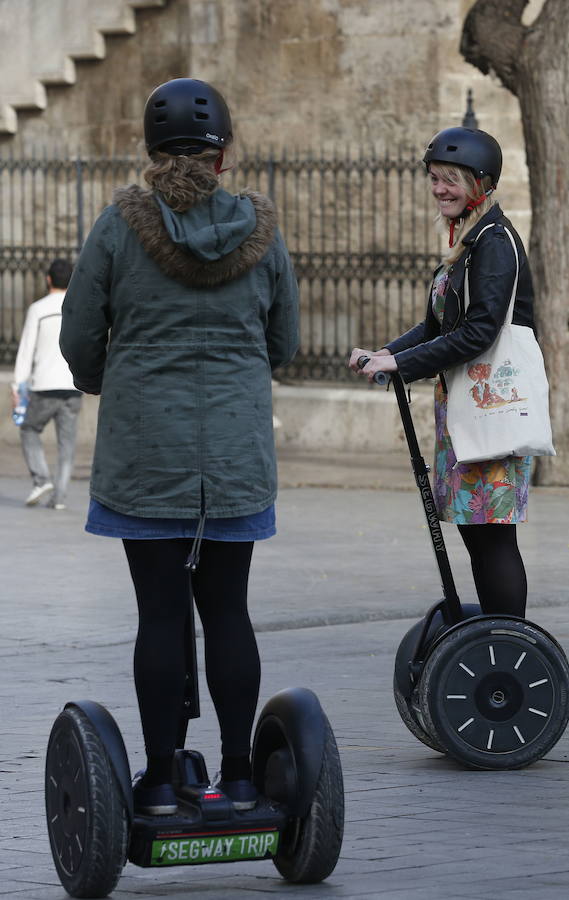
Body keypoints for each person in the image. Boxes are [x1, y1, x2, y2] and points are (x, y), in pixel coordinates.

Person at [59, 78, 300, 816]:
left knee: (161, 616)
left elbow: (77, 336)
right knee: (228, 611)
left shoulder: (117, 226)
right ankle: (238, 775)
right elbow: (283, 343)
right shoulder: (261, 229)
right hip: (233, 456)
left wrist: (112, 382)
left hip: (144, 455)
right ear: (223, 156)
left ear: (152, 154)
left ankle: (161, 781)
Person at [349, 126, 534, 620]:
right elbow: (438, 326)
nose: (439, 189)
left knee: (492, 538)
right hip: (467, 411)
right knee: (478, 535)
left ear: (482, 182)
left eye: (450, 179)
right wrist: (386, 355)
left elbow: (480, 334)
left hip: (491, 410)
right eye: (434, 179)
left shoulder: (494, 241)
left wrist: (402, 364)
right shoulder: (468, 242)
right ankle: (495, 641)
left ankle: (509, 645)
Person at [11, 258, 81, 510]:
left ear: (48, 279)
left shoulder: (38, 309)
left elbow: (26, 350)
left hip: (44, 386)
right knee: (67, 444)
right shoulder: (78, 307)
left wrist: (17, 387)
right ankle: (59, 498)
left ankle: (41, 479)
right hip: (73, 386)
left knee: (29, 429)